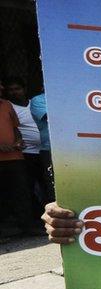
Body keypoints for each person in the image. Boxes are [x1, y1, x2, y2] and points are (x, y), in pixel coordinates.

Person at [0, 77, 39, 236]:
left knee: (22, 193)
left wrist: (18, 140)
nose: (2, 87)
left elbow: (15, 127)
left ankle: (27, 227)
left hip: (15, 157)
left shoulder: (7, 105)